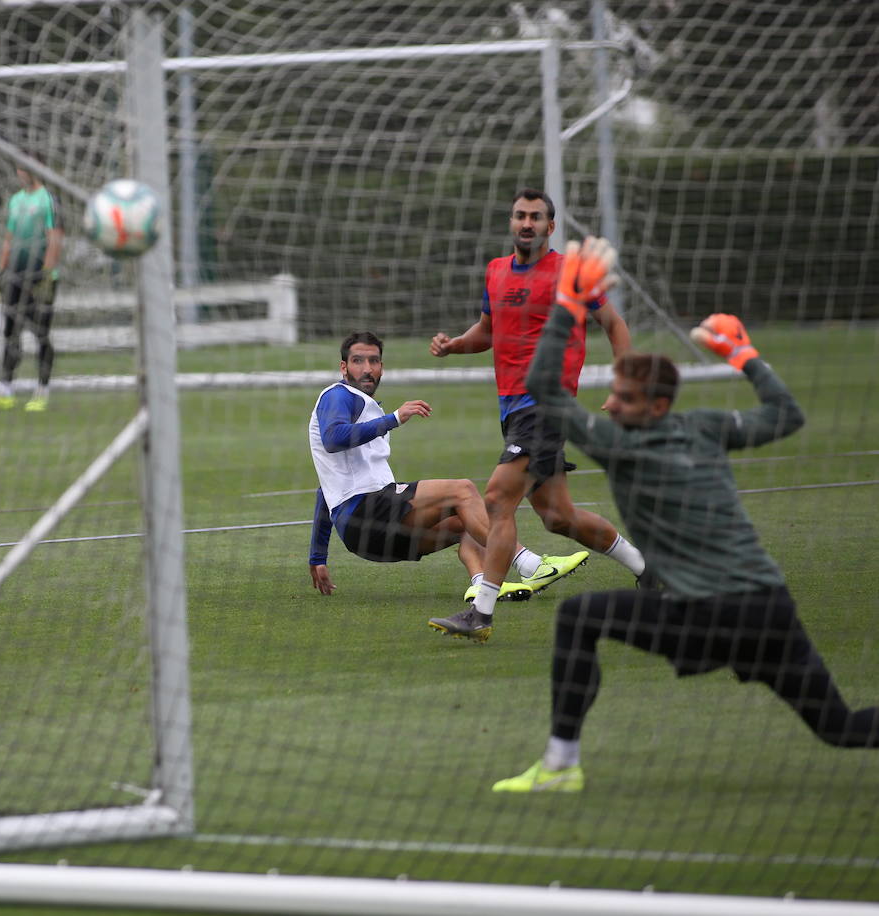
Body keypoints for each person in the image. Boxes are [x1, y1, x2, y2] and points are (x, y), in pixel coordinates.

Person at [492, 239, 879, 793]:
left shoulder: (618, 444)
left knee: (580, 620)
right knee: (838, 726)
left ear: (654, 407)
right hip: (770, 608)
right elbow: (785, 415)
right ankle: (558, 766)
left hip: (708, 614)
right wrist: (745, 357)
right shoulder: (705, 426)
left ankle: (559, 766)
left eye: (623, 397)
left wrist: (570, 305)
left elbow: (542, 387)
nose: (610, 404)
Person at [427, 188, 645, 643]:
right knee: (557, 517)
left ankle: (481, 613)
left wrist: (624, 384)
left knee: (496, 500)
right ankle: (649, 568)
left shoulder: (571, 273)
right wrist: (454, 346)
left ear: (551, 226)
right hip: (513, 410)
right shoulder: (495, 272)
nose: (526, 223)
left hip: (546, 405)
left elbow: (615, 325)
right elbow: (486, 332)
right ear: (512, 223)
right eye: (519, 216)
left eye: (536, 217)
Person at [309, 331, 588, 616]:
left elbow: (326, 489)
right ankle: (531, 565)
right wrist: (394, 418)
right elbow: (333, 439)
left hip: (365, 537)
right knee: (462, 490)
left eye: (374, 361)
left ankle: (480, 586)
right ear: (343, 367)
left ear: (382, 366)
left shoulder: (361, 405)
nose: (367, 369)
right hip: (366, 512)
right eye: (358, 361)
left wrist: (317, 556)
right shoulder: (338, 395)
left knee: (464, 521)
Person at [0, 163, 64, 414]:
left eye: (24, 168)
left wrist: (48, 274)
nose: (20, 173)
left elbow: (55, 236)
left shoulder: (48, 199)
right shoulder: (16, 201)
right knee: (10, 333)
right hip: (14, 275)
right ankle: (5, 390)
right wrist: (0, 271)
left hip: (40, 276)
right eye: (18, 168)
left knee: (41, 333)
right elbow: (9, 237)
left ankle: (42, 391)